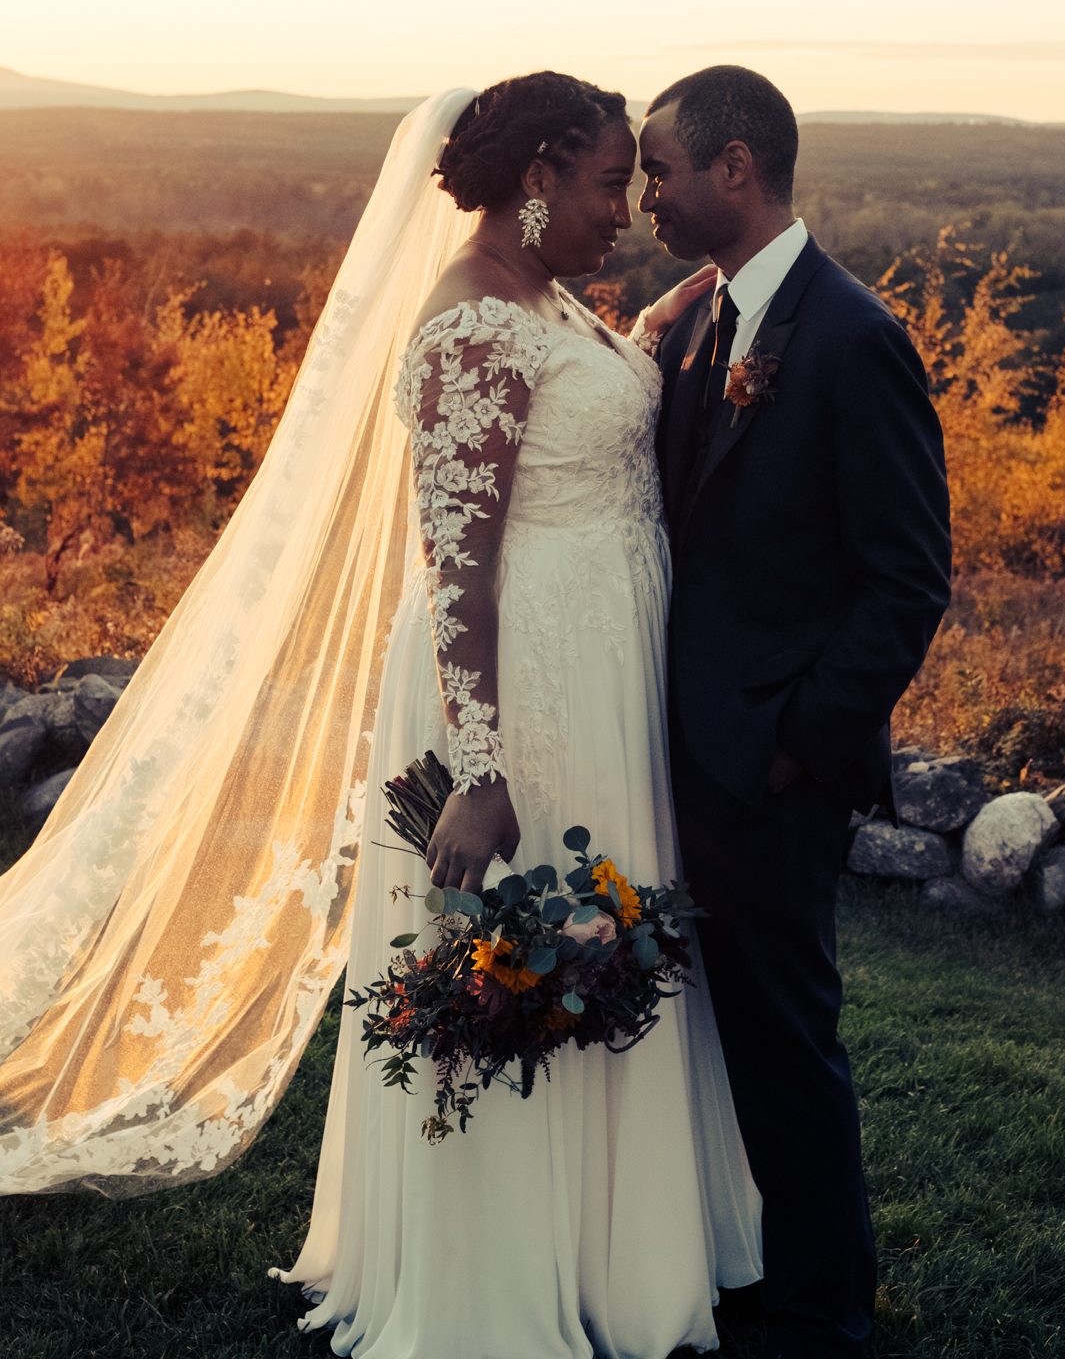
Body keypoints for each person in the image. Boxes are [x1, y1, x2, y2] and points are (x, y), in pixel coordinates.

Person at [269, 72, 761, 1358]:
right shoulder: (468, 332)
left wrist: (659, 316)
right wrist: (479, 770)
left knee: (609, 924)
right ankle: (498, 1271)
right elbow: (458, 566)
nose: (630, 208)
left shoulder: (547, 301)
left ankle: (618, 1244)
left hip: (599, 670)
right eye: (611, 182)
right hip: (516, 688)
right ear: (537, 177)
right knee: (527, 938)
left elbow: (582, 406)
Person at [636, 65, 953, 1359]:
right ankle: (752, 1267)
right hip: (684, 757)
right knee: (721, 1045)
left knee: (786, 1038)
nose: (646, 193)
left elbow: (905, 581)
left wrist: (792, 747)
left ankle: (824, 1315)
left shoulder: (852, 336)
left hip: (770, 770)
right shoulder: (703, 319)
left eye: (658, 169)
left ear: (734, 168)